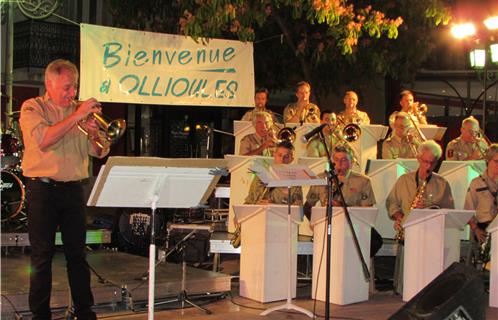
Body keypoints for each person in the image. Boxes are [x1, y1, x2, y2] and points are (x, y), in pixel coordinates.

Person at [19, 59, 110, 320]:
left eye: (75, 86)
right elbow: (44, 139)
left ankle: (84, 310)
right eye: (67, 87)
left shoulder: (78, 112)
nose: (73, 93)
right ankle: (40, 314)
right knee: (41, 256)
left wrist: (93, 133)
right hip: (42, 190)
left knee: (77, 254)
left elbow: (101, 151)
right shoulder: (32, 107)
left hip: (73, 190)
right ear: (50, 84)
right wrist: (77, 116)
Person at [386, 140, 454, 295]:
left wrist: (430, 208)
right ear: (418, 159)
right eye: (425, 162)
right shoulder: (404, 180)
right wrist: (399, 217)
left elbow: (449, 211)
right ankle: (404, 289)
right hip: (408, 232)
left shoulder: (442, 183)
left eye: (432, 163)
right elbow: (392, 202)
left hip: (432, 235)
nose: (428, 166)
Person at [303, 145, 382, 257]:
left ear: (352, 162)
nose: (339, 163)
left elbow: (367, 211)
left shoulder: (363, 181)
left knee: (376, 241)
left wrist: (343, 207)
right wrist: (315, 224)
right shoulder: (321, 179)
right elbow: (307, 207)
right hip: (328, 226)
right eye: (336, 160)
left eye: (344, 160)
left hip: (353, 227)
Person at [464, 143, 498, 261]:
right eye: (496, 161)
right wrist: (476, 229)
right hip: (483, 229)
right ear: (488, 161)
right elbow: (467, 210)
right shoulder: (476, 183)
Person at [244, 140, 303, 205]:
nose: (282, 159)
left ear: (291, 159)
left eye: (286, 157)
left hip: (280, 215)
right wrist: (256, 206)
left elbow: (298, 211)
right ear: (274, 155)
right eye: (279, 155)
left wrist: (274, 207)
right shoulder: (260, 176)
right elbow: (249, 202)